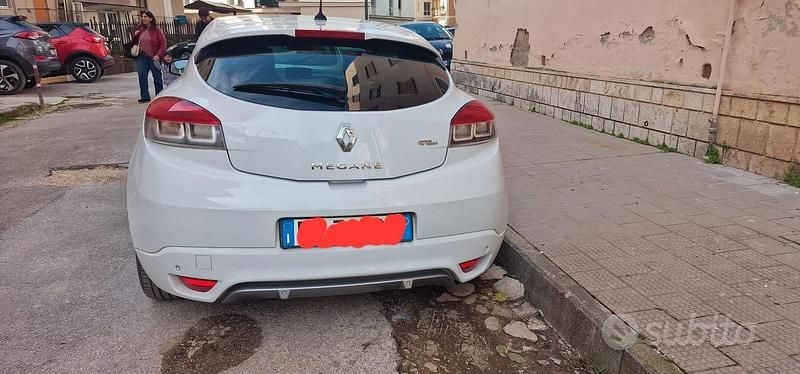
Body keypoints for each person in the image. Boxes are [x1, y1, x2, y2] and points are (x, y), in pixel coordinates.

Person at [132, 11, 167, 103]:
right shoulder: (140, 29)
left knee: (157, 77)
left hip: (153, 57)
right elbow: (134, 42)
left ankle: (159, 95)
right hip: (141, 56)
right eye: (142, 16)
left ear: (151, 18)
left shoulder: (157, 30)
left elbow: (163, 44)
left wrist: (158, 55)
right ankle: (145, 96)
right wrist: (135, 35)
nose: (143, 18)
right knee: (142, 76)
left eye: (146, 16)